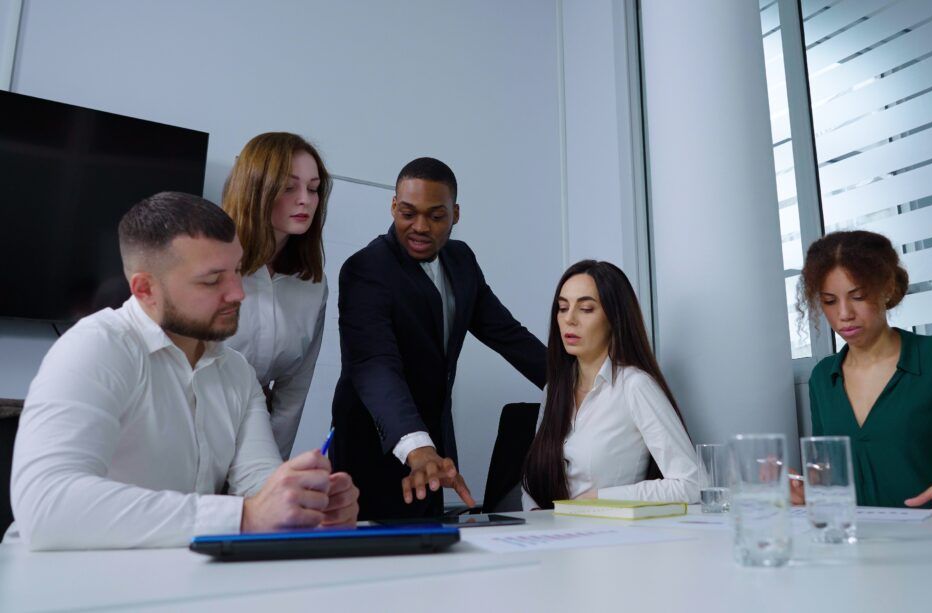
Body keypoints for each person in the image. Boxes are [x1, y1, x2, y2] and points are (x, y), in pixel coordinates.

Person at [6, 192, 358, 550]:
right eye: (211, 281)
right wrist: (244, 517)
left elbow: (258, 485)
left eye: (238, 270)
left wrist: (305, 507)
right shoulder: (96, 348)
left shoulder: (235, 371)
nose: (238, 293)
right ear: (145, 289)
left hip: (170, 582)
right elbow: (46, 504)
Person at [331, 157, 546, 520]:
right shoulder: (366, 269)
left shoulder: (461, 261)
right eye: (408, 213)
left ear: (455, 214)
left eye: (436, 216)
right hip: (376, 451)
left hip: (436, 454)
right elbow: (375, 365)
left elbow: (507, 334)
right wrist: (416, 445)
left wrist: (578, 383)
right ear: (393, 206)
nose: (420, 227)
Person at [791, 230, 932, 514]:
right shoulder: (823, 377)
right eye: (829, 301)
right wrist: (805, 492)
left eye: (858, 296)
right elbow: (827, 476)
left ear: (886, 289)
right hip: (862, 545)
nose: (844, 313)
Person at [521, 260, 699, 510]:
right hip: (552, 538)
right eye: (562, 308)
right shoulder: (554, 391)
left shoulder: (634, 386)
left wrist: (600, 498)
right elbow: (532, 489)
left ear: (614, 318)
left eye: (585, 309)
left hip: (610, 540)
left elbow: (690, 483)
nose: (569, 319)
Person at [221, 132, 331, 459]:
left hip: (253, 444)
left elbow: (293, 393)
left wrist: (271, 471)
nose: (306, 200)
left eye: (313, 189)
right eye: (289, 187)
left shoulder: (312, 284)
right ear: (256, 188)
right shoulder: (211, 264)